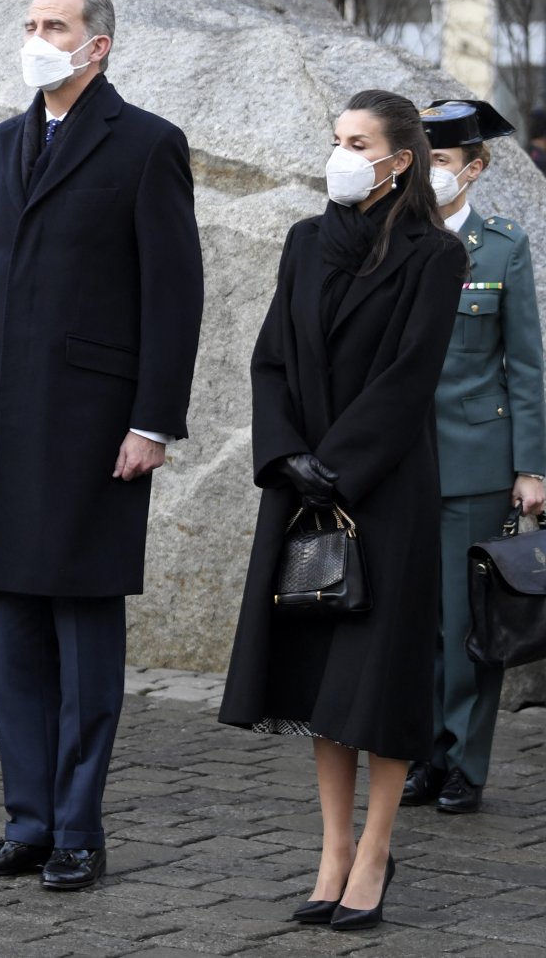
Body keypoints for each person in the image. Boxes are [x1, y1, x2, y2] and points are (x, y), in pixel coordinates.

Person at [0, 0, 203, 891]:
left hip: (96, 432)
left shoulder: (144, 144)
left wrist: (151, 421)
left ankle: (78, 830)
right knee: (12, 638)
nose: (36, 40)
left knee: (84, 640)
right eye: (29, 26)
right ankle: (27, 820)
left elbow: (173, 295)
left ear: (97, 46)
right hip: (4, 429)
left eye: (52, 26)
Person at [219, 89, 468, 931]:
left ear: (400, 160)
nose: (341, 153)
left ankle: (376, 850)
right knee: (323, 682)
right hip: (302, 488)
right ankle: (331, 848)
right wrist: (288, 453)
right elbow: (272, 358)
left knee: (380, 681)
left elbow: (410, 373)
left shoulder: (435, 254)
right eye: (335, 138)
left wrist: (343, 463)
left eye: (358, 141)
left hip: (384, 490)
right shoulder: (304, 240)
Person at [401, 99, 546, 815]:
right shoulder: (396, 236)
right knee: (416, 615)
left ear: (475, 168)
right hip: (403, 460)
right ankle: (425, 752)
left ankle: (465, 760)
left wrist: (532, 467)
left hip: (473, 459)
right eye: (421, 160)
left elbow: (525, 364)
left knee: (466, 620)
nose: (429, 175)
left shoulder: (500, 245)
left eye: (444, 163)